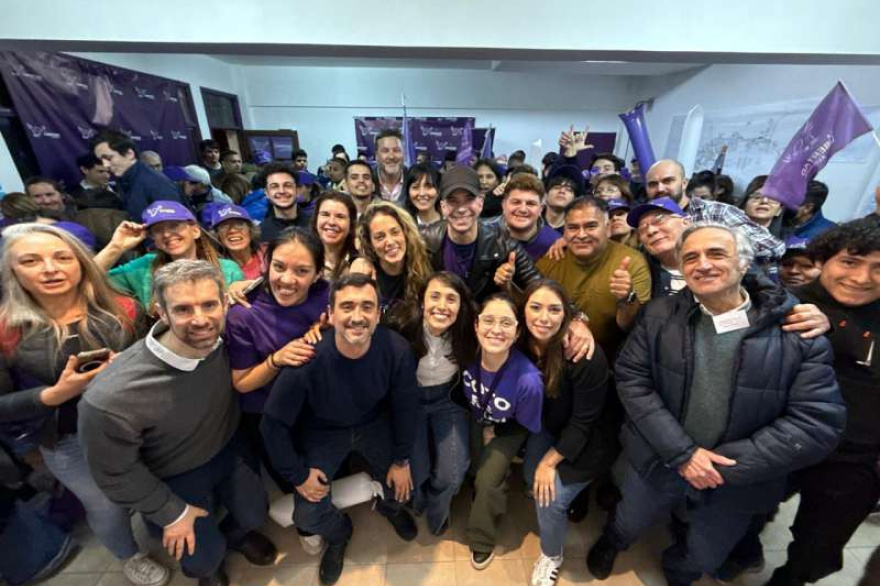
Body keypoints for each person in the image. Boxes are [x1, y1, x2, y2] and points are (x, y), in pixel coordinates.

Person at [586, 223, 845, 586]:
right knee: (631, 514)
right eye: (691, 257)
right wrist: (684, 454)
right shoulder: (659, 315)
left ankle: (679, 571)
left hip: (735, 477)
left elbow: (817, 423)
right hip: (659, 453)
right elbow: (632, 379)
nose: (703, 264)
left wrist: (723, 466)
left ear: (744, 262)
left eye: (716, 254)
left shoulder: (796, 329)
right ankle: (614, 541)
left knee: (707, 551)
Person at [79, 260, 277, 586]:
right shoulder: (111, 397)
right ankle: (210, 566)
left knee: (255, 514)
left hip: (228, 447)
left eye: (209, 305)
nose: (200, 319)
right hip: (171, 474)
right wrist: (170, 512)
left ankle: (236, 537)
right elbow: (114, 473)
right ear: (161, 312)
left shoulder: (227, 340)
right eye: (183, 309)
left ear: (225, 303)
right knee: (200, 556)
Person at [0, 223, 170, 586]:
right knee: (106, 507)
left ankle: (160, 526)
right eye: (31, 260)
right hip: (69, 439)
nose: (50, 269)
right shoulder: (6, 331)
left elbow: (153, 359)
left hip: (138, 423)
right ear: (12, 270)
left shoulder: (122, 307)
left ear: (80, 262)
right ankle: (128, 555)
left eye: (62, 257)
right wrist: (52, 395)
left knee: (155, 482)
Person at [261, 273, 420, 586]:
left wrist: (401, 460)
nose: (357, 316)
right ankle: (339, 533)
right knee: (307, 515)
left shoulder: (396, 349)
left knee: (403, 489)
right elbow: (272, 425)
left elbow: (406, 407)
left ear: (378, 314)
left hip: (373, 423)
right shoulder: (307, 358)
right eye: (347, 306)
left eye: (367, 306)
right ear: (331, 314)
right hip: (323, 431)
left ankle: (388, 508)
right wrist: (298, 475)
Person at [763, 219, 880, 586]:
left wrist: (837, 327)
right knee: (750, 511)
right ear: (823, 260)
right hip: (777, 439)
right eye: (850, 262)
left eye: (878, 268)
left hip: (855, 457)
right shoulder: (784, 300)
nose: (861, 278)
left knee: (818, 545)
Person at [519, 279, 612, 586]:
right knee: (531, 479)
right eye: (535, 307)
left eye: (554, 310)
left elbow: (584, 422)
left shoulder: (582, 353)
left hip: (589, 436)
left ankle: (551, 555)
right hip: (551, 425)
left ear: (567, 314)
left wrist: (549, 462)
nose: (543, 317)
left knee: (549, 497)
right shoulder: (521, 342)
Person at [226, 228, 327, 496]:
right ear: (266, 264)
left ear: (318, 274)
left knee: (328, 478)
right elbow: (242, 383)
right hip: (267, 415)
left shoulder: (326, 296)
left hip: (315, 408)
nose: (287, 280)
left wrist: (326, 326)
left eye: (302, 271)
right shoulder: (243, 313)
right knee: (297, 487)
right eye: (279, 267)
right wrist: (276, 360)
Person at [458, 293, 544, 569]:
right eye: (489, 321)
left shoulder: (529, 381)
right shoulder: (466, 355)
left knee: (487, 480)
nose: (496, 329)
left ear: (517, 333)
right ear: (476, 325)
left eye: (506, 323)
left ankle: (481, 540)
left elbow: (527, 423)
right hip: (476, 417)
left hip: (508, 428)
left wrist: (496, 430)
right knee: (472, 466)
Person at [392, 272, 477, 536]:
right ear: (422, 301)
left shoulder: (469, 330)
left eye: (451, 299)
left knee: (453, 473)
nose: (442, 306)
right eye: (435, 296)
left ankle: (437, 511)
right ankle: (417, 502)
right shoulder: (401, 324)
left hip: (447, 398)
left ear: (461, 306)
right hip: (410, 401)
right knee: (417, 470)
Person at [537, 197, 651, 359]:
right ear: (564, 232)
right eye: (573, 228)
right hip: (557, 352)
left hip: (612, 358)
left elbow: (631, 327)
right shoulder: (551, 260)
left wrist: (627, 298)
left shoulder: (632, 261)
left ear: (608, 228)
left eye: (590, 226)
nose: (581, 235)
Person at [420, 166, 542, 303]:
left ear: (480, 203)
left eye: (469, 199)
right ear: (443, 206)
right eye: (453, 201)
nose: (461, 209)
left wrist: (508, 287)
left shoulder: (503, 245)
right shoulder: (424, 241)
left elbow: (542, 291)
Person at [95, 201, 245, 309]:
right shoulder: (143, 268)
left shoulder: (227, 269)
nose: (166, 234)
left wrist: (240, 288)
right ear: (153, 239)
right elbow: (88, 279)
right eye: (158, 230)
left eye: (174, 226)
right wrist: (116, 247)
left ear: (195, 230)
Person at [644, 159, 785, 266]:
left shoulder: (717, 212)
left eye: (668, 181)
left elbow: (773, 248)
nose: (660, 188)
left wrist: (717, 248)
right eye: (653, 184)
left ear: (684, 183)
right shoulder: (644, 220)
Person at [353, 201, 433, 317]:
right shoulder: (364, 273)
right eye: (380, 237)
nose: (390, 242)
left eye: (395, 232)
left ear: (405, 233)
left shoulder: (428, 265)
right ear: (370, 244)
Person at [92, 129, 183, 221]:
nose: (105, 165)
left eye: (109, 158)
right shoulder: (124, 180)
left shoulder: (156, 184)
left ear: (129, 154)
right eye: (101, 160)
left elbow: (174, 225)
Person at [628, 197, 691, 298]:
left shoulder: (713, 260)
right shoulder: (641, 274)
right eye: (642, 228)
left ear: (686, 223)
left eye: (659, 220)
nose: (650, 231)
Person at [499, 173, 561, 261]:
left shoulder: (555, 243)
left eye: (530, 204)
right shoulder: (484, 236)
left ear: (541, 209)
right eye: (516, 202)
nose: (523, 209)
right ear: (504, 205)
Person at [309, 191, 359, 281]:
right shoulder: (303, 258)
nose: (331, 222)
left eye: (340, 216)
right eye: (325, 214)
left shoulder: (361, 263)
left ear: (351, 224)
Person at [258, 163, 312, 243]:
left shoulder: (314, 226)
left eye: (287, 185)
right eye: (274, 186)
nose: (281, 191)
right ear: (267, 193)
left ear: (297, 190)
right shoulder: (259, 233)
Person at [211, 205, 265, 280]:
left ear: (250, 230)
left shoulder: (269, 254)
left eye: (239, 224)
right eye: (224, 226)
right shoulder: (215, 271)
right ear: (218, 236)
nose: (232, 230)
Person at [543, 167, 584, 234]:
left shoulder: (577, 232)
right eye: (556, 187)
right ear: (546, 195)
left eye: (568, 190)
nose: (562, 191)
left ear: (574, 199)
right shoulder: (532, 223)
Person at [375, 129, 406, 203]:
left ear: (404, 154)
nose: (391, 156)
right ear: (376, 155)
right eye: (385, 151)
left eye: (396, 150)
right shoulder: (367, 179)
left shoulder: (414, 179)